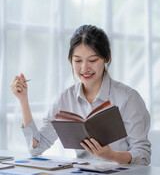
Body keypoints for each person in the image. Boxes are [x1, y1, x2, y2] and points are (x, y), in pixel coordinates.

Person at [10, 25, 151, 165]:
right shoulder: (65, 99)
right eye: (77, 60)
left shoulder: (128, 98)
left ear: (106, 57)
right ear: (70, 59)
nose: (84, 68)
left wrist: (111, 155)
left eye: (93, 60)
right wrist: (23, 101)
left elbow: (143, 155)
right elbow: (36, 148)